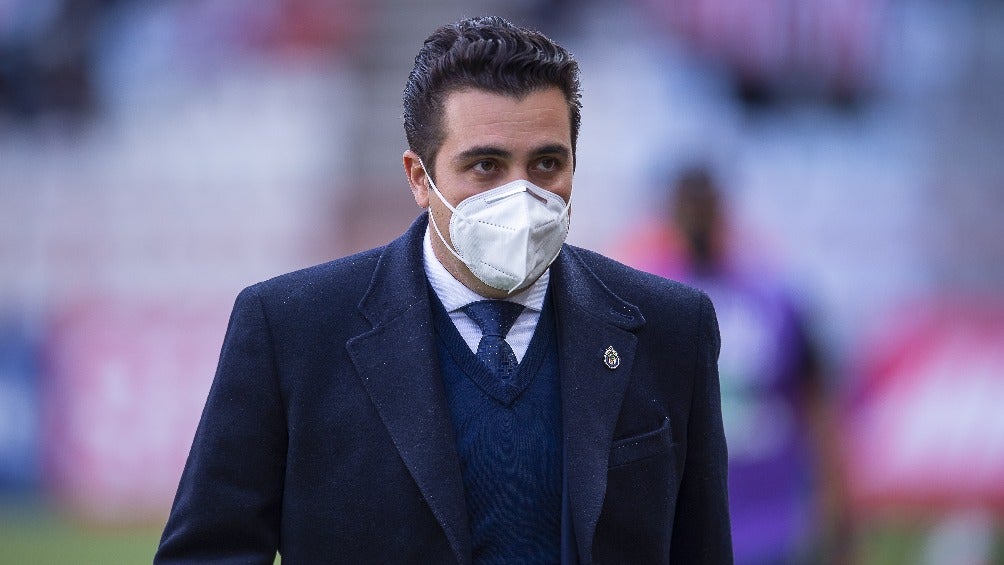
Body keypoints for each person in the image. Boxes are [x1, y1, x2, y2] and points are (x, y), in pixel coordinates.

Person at [155, 17, 732, 564]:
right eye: (486, 166)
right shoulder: (289, 331)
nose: (521, 194)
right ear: (419, 178)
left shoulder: (672, 329)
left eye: (546, 163)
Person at [617, 166, 846, 565]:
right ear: (671, 212)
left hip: (773, 519)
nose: (698, 214)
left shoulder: (775, 297)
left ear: (721, 208)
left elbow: (817, 403)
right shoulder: (644, 298)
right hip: (682, 523)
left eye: (704, 202)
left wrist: (836, 503)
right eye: (689, 204)